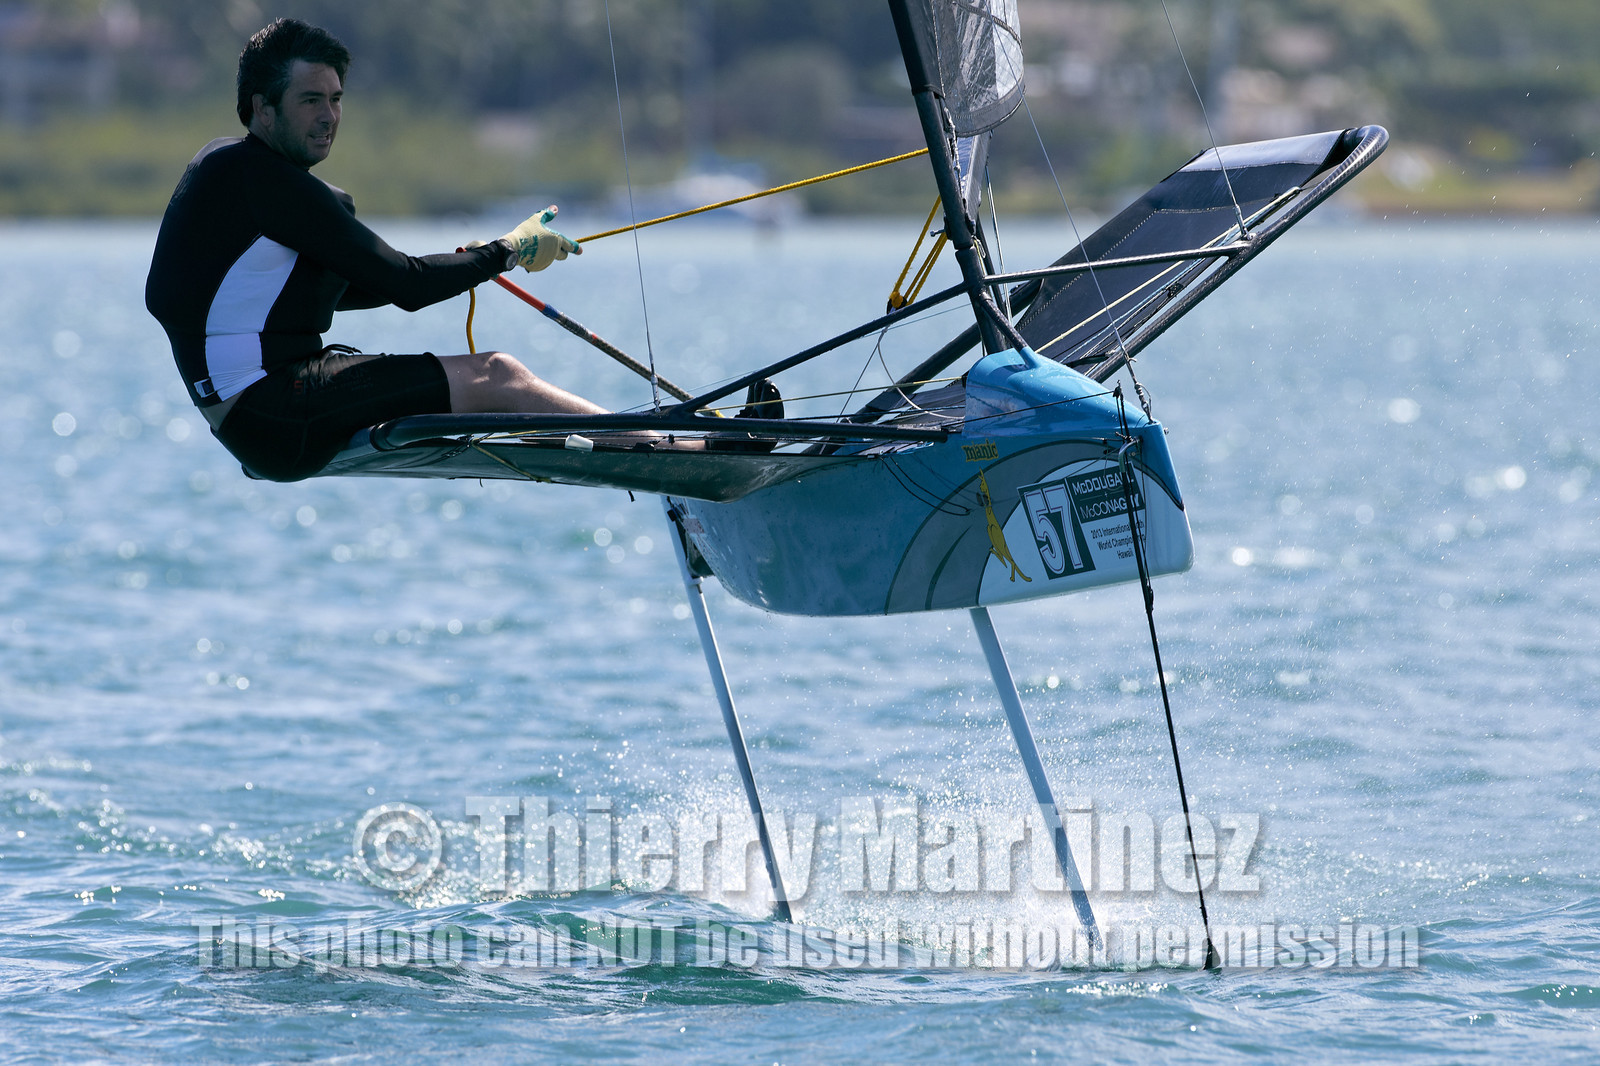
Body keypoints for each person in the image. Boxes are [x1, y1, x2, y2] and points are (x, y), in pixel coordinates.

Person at [145, 18, 617, 482]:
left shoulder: (225, 169)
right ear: (263, 108)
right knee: (497, 375)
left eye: (335, 99)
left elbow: (353, 285)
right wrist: (506, 251)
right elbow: (406, 284)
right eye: (310, 101)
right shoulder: (269, 184)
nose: (328, 116)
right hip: (274, 412)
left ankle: (633, 439)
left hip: (251, 424)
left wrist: (473, 263)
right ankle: (654, 442)